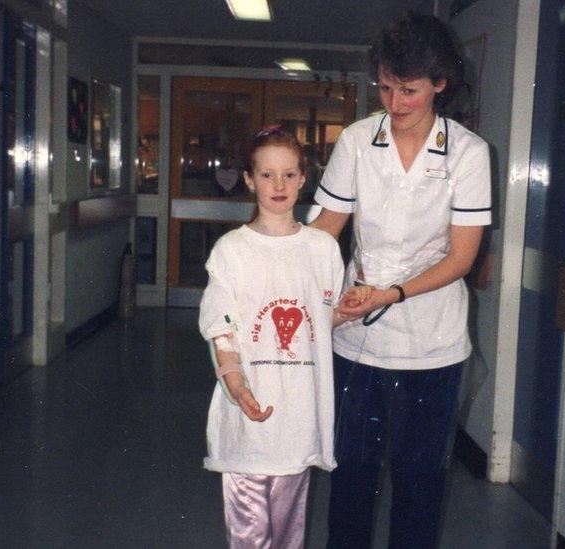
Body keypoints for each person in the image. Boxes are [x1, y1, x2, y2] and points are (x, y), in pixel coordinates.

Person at [310, 12, 493, 548]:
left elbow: (462, 257)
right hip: (357, 342)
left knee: (419, 484)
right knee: (352, 479)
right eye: (386, 87)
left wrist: (390, 294)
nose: (394, 103)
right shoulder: (356, 141)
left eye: (408, 90)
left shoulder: (468, 153)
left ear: (440, 84)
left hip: (431, 347)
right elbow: (325, 231)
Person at [198, 127, 370, 549]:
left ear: (303, 179)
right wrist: (236, 385)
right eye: (268, 174)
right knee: (250, 535)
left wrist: (349, 311)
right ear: (249, 179)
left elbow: (321, 321)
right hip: (249, 414)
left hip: (298, 416)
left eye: (289, 175)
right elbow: (221, 329)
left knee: (290, 531)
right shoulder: (231, 250)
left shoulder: (322, 249)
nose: (279, 185)